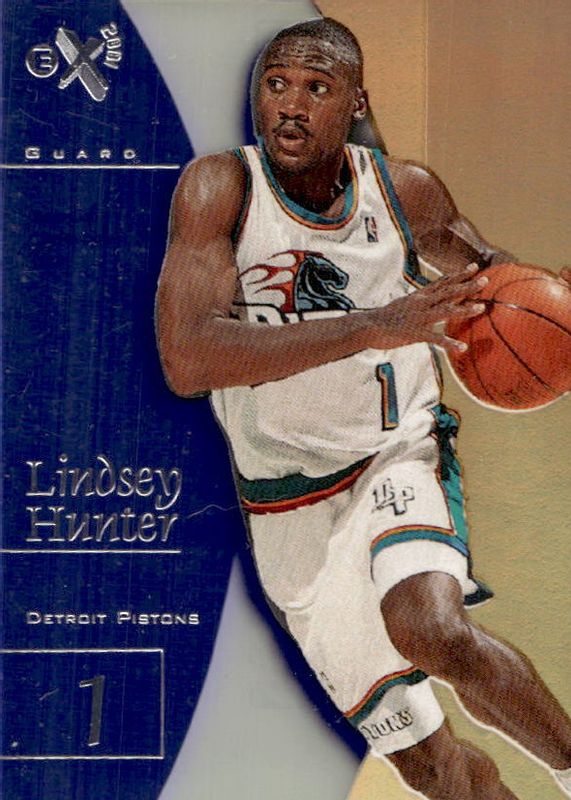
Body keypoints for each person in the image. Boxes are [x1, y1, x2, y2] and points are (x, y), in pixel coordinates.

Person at [156, 17, 571, 799]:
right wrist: (369, 327)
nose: (290, 104)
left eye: (316, 88)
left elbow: (491, 279)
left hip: (392, 455)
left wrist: (550, 303)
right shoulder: (221, 189)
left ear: (354, 104)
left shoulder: (402, 192)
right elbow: (187, 359)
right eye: (276, 83)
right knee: (436, 772)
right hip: (286, 510)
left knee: (432, 630)